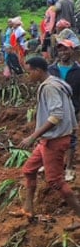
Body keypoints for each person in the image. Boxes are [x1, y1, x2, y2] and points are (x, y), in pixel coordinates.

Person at [18, 57, 80, 231]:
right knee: (29, 170)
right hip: (50, 138)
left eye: (29, 71)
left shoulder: (50, 88)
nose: (28, 75)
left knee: (55, 181)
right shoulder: (54, 83)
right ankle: (28, 209)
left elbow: (56, 115)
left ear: (38, 71)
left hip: (54, 139)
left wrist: (33, 136)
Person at [48, 39, 80, 182]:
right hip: (54, 109)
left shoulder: (78, 71)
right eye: (60, 50)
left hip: (73, 109)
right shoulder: (52, 70)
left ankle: (69, 168)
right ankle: (54, 164)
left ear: (72, 51)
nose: (63, 52)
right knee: (52, 135)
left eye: (66, 49)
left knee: (70, 138)